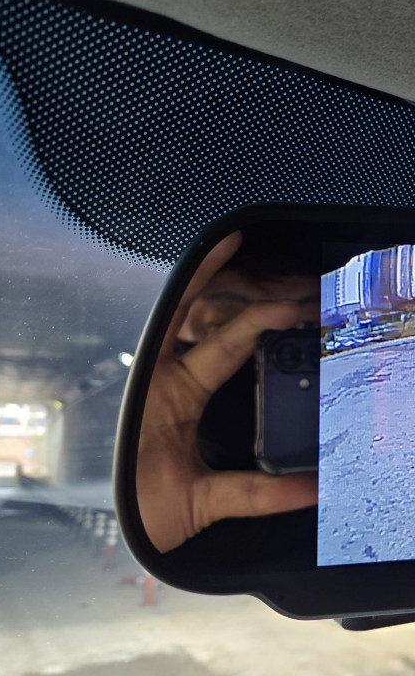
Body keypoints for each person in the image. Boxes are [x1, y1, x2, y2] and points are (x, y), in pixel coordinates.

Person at [136, 231, 321, 553]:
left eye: (310, 332)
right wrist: (142, 521)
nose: (267, 352)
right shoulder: (178, 511)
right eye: (221, 325)